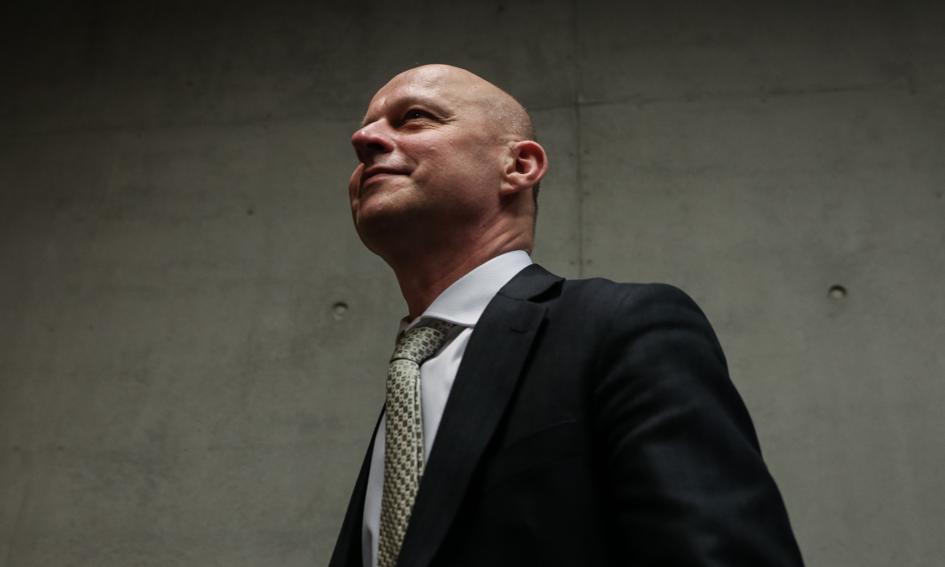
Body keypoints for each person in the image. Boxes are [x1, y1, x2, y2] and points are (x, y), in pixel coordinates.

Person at [329, 64, 804, 567]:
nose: (363, 140)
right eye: (366, 127)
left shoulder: (623, 327)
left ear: (519, 165)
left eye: (414, 118)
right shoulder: (409, 381)